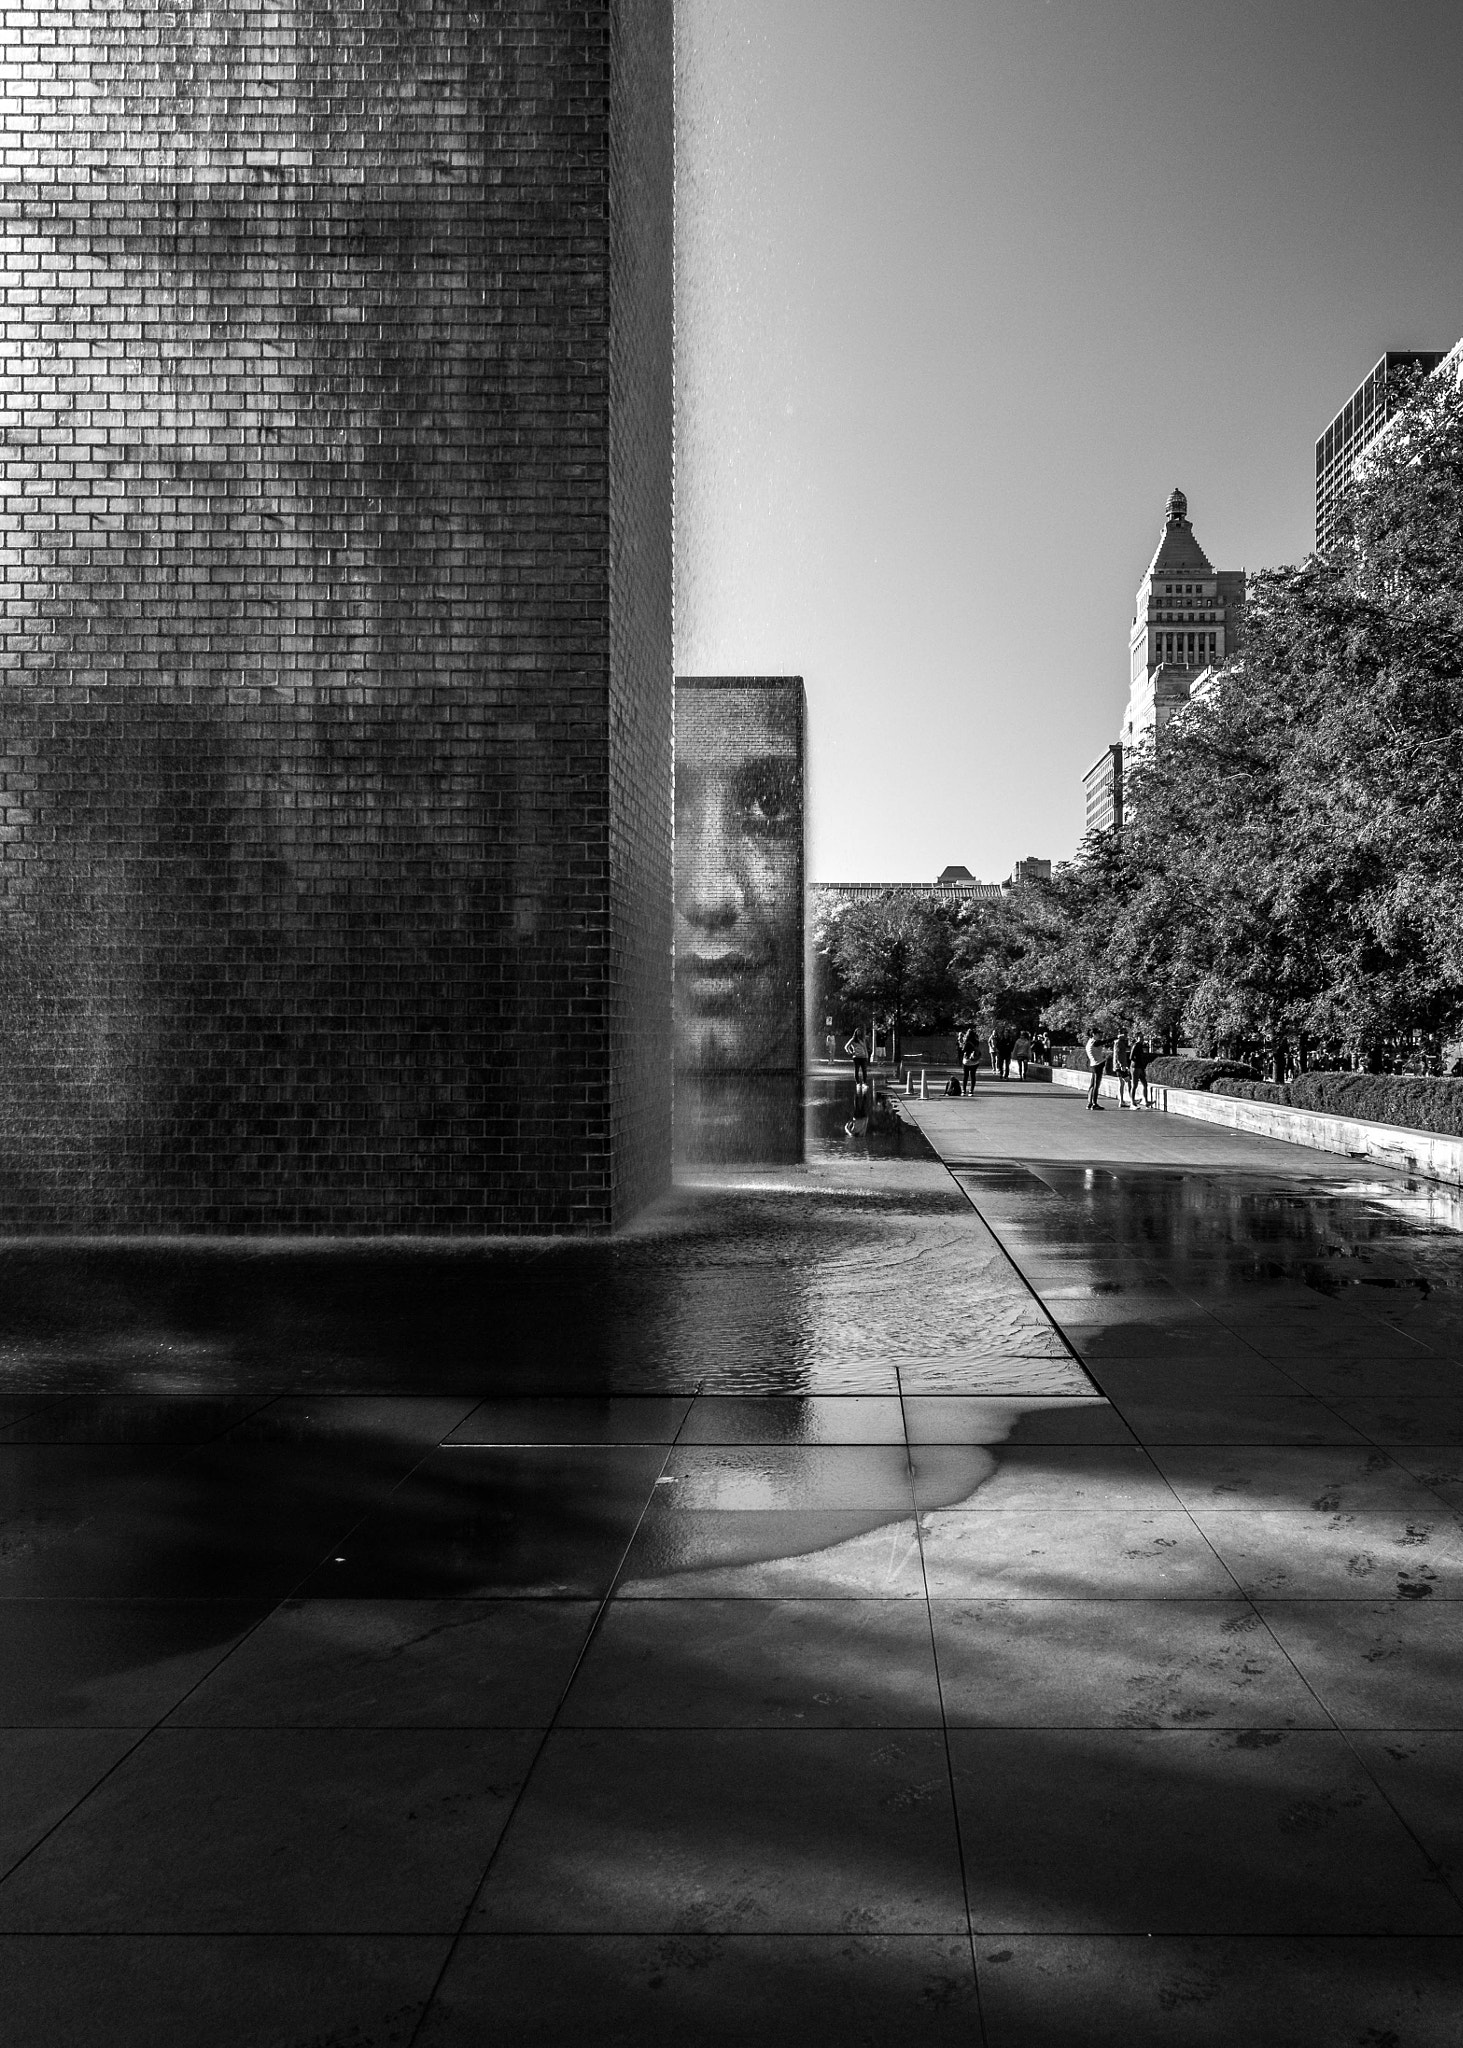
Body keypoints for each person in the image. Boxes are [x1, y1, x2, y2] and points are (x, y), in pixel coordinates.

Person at [1084, 1027, 1109, 1110]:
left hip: (1093, 1064)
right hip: (1098, 1064)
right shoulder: (1094, 1042)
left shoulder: (1089, 1042)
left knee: (1092, 1084)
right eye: (1098, 1034)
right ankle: (1094, 1103)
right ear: (1094, 1034)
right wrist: (1116, 1038)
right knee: (1096, 1085)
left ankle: (1089, 1102)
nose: (1100, 1035)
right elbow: (1104, 1042)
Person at [957, 1023, 980, 1095]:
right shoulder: (976, 1042)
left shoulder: (966, 1043)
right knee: (973, 1076)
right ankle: (971, 1091)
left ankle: (963, 1091)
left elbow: (963, 1051)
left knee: (965, 1076)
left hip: (967, 1061)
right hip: (975, 1060)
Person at [1112, 1027, 1132, 1107]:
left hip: (1118, 1066)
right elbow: (1118, 1054)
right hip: (1120, 1066)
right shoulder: (1119, 1042)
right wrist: (1121, 1065)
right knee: (1128, 1082)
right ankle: (1132, 1099)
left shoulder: (1120, 1042)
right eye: (1125, 1033)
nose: (1127, 1034)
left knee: (1121, 1083)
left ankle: (1122, 1101)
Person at [1131, 1033, 1152, 1108]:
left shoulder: (1140, 1046)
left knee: (1145, 1084)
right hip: (1135, 1067)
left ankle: (1146, 1101)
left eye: (1143, 1037)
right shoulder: (1136, 1045)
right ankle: (1132, 1102)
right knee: (1135, 1085)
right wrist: (1137, 1063)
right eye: (1140, 1037)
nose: (1142, 1039)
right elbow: (1131, 1057)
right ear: (1137, 1038)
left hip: (1140, 1067)